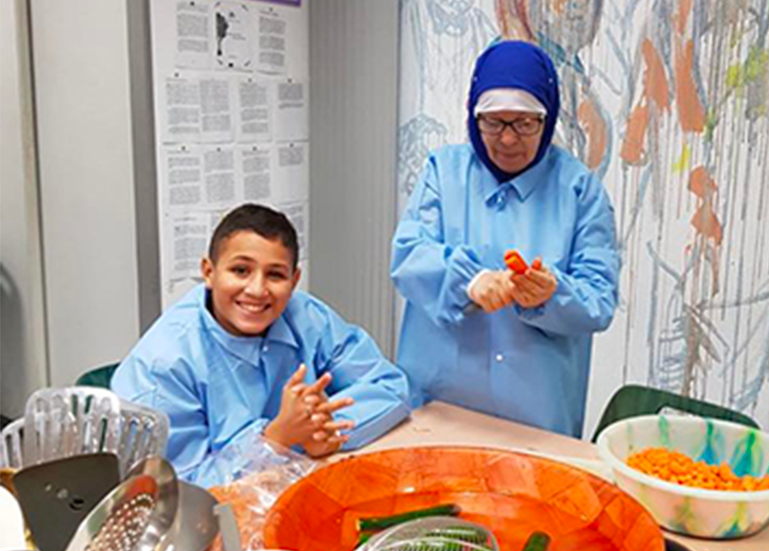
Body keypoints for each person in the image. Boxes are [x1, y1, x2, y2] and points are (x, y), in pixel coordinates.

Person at [390, 40, 620, 437]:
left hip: (534, 420)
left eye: (525, 123)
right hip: (438, 408)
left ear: (548, 118)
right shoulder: (443, 173)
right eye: (494, 122)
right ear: (474, 116)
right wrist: (470, 281)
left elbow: (599, 299)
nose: (508, 139)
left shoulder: (580, 191)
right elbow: (409, 256)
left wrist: (552, 294)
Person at [113, 204, 410, 484]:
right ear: (208, 272)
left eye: (275, 275)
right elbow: (175, 491)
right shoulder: (164, 364)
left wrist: (326, 432)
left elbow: (389, 386)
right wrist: (275, 440)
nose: (257, 290)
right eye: (240, 270)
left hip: (298, 483)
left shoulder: (308, 316)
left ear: (294, 280)